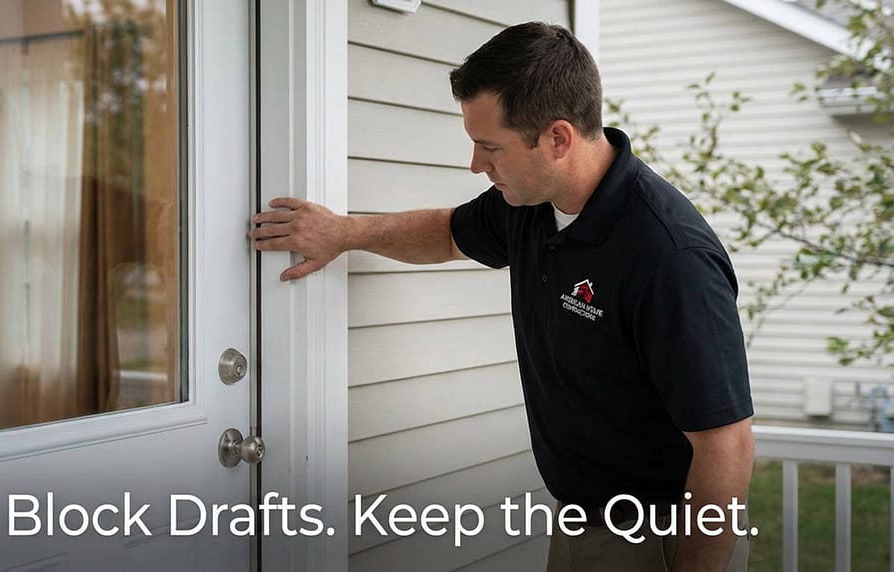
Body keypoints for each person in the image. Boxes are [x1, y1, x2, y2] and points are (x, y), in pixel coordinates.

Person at [250, 22, 754, 572]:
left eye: (490, 147)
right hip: (581, 524)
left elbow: (724, 446)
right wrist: (345, 232)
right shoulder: (528, 205)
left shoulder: (668, 257)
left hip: (659, 544)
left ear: (558, 139)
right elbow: (446, 233)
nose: (476, 165)